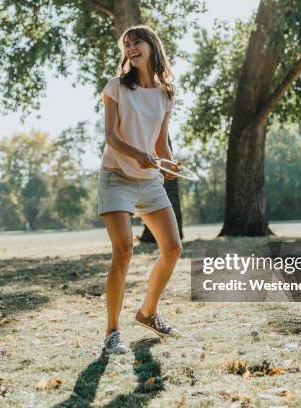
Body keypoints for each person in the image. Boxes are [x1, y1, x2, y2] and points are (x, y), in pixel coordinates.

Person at [98, 25, 182, 354]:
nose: (131, 47)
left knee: (173, 249)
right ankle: (112, 332)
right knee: (123, 251)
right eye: (127, 44)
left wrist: (169, 162)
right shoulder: (116, 87)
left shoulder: (165, 93)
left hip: (149, 180)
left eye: (137, 42)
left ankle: (147, 313)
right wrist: (139, 155)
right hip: (117, 175)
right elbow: (112, 136)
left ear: (151, 47)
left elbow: (160, 142)